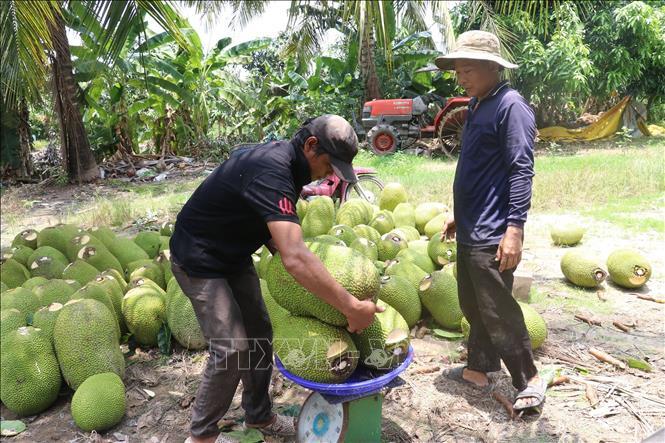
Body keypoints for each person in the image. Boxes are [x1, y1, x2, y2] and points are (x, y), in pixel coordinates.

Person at [170, 115, 382, 443]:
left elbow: (269, 222)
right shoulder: (272, 168)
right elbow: (295, 256)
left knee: (259, 334)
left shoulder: (293, 168)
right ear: (311, 145)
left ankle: (258, 416)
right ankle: (201, 436)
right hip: (198, 259)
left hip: (233, 255)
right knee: (232, 348)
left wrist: (289, 258)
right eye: (330, 164)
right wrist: (352, 306)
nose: (331, 174)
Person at [434, 31, 545, 411]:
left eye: (467, 70)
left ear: (492, 68)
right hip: (471, 226)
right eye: (458, 71)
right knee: (472, 303)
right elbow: (477, 167)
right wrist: (457, 216)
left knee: (497, 308)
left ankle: (527, 377)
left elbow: (520, 170)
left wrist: (514, 229)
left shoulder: (511, 106)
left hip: (493, 229)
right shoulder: (479, 104)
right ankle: (479, 367)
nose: (461, 77)